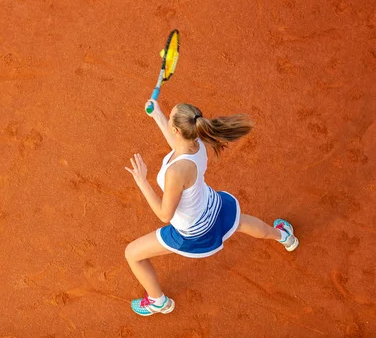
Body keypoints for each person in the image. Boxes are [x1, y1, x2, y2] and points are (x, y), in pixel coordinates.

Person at [124, 99, 299, 316]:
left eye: (170, 118)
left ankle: (158, 302)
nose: (168, 118)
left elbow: (164, 215)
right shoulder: (197, 144)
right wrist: (158, 115)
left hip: (194, 232)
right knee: (242, 222)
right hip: (213, 207)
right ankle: (285, 237)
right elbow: (178, 146)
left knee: (132, 254)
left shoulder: (175, 173)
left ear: (177, 129)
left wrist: (142, 181)